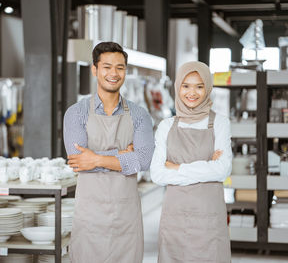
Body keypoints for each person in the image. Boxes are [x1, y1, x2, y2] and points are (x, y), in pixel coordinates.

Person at [63, 42, 154, 263]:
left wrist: (95, 158)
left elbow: (143, 160)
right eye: (107, 66)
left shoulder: (140, 115)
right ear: (94, 69)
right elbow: (78, 161)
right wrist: (123, 157)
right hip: (90, 216)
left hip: (127, 217)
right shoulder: (76, 113)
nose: (114, 73)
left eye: (120, 67)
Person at [150, 61, 232, 263]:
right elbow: (158, 174)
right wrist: (206, 166)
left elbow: (222, 169)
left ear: (208, 88)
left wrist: (177, 167)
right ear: (178, 87)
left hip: (209, 221)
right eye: (186, 86)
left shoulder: (220, 123)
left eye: (199, 86)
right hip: (175, 221)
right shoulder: (166, 126)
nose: (191, 93)